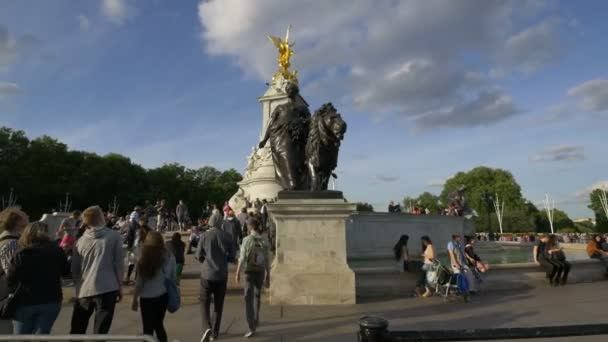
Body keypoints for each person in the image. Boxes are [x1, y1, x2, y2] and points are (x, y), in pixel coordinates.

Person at [70, 205, 124, 335]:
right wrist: (120, 286)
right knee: (101, 331)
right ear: (101, 218)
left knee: (77, 329)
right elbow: (118, 264)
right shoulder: (114, 236)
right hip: (108, 287)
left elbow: (75, 269)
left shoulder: (80, 241)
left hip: (84, 289)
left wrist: (78, 288)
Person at [7, 221, 68, 334]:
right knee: (41, 336)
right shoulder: (57, 251)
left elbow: (11, 279)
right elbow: (66, 273)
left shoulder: (21, 254)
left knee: (20, 337)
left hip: (25, 300)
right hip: (51, 299)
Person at [197, 213, 236, 342]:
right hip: (221, 274)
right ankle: (214, 332)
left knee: (204, 302)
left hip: (207, 274)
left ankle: (206, 326)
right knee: (219, 305)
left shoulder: (204, 236)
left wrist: (204, 259)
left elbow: (198, 255)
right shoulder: (227, 236)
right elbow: (232, 256)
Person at [131, 231, 176, 342]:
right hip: (162, 295)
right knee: (159, 325)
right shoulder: (169, 256)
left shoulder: (143, 258)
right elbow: (173, 276)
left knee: (147, 329)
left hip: (146, 298)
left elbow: (139, 282)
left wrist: (134, 299)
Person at [235, 217, 270, 338]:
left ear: (250, 227)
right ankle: (256, 318)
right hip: (260, 271)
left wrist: (237, 272)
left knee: (248, 299)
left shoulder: (246, 240)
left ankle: (251, 326)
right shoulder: (264, 240)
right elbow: (267, 260)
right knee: (257, 295)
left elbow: (242, 257)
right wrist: (268, 275)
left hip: (249, 271)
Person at [0, 207, 28, 334]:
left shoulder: (12, 240)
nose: (27, 216)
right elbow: (11, 272)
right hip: (8, 296)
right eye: (24, 215)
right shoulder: (11, 243)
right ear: (16, 221)